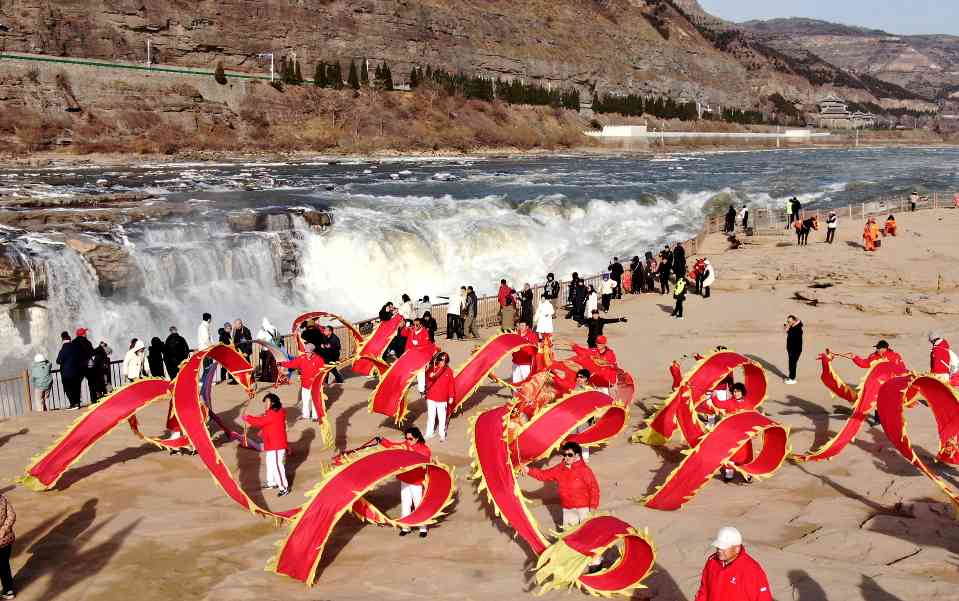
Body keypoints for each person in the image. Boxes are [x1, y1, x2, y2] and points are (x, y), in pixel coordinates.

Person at [520, 442, 602, 572]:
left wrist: (592, 507)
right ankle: (574, 563)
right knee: (570, 537)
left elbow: (594, 489)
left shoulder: (584, 470)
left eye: (569, 455)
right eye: (564, 454)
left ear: (577, 456)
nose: (566, 457)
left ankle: (595, 563)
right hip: (568, 509)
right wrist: (528, 470)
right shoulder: (560, 468)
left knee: (588, 537)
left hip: (584, 509)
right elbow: (544, 475)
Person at [376, 427, 431, 537]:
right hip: (405, 479)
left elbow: (423, 462)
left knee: (418, 504)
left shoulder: (424, 450)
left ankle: (423, 528)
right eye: (406, 438)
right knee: (405, 504)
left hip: (416, 481)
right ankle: (406, 527)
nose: (408, 441)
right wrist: (382, 441)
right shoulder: (405, 445)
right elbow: (393, 446)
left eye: (410, 439)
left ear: (417, 438)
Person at [694, 527, 773, 601]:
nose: (719, 550)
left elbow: (763, 598)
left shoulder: (752, 570)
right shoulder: (712, 562)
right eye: (718, 546)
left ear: (737, 548)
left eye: (724, 547)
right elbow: (704, 590)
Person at [243, 393, 290, 496]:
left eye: (267, 402)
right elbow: (266, 423)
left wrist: (248, 418)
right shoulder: (274, 413)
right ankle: (271, 482)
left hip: (276, 445)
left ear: (273, 403)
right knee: (270, 463)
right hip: (272, 444)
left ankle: (284, 487)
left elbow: (260, 422)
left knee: (277, 465)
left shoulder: (274, 414)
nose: (265, 404)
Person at [718, 383, 755, 484]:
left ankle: (747, 473)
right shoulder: (730, 402)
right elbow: (718, 404)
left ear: (742, 392)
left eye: (738, 391)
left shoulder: (748, 403)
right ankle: (729, 473)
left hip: (744, 433)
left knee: (745, 456)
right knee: (730, 453)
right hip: (732, 433)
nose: (736, 393)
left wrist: (753, 430)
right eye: (734, 391)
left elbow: (753, 417)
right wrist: (713, 396)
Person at [280, 343, 325, 421]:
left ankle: (315, 416)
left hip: (315, 384)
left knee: (315, 400)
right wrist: (281, 363)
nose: (306, 353)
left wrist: (322, 382)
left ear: (312, 352)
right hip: (305, 383)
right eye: (305, 352)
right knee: (305, 400)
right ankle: (305, 415)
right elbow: (292, 363)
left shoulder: (319, 359)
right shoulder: (302, 358)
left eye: (308, 352)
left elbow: (322, 372)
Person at [423, 352, 455, 442]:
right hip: (431, 397)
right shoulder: (432, 368)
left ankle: (442, 435)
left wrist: (451, 396)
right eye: (441, 360)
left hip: (442, 399)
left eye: (445, 361)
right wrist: (429, 375)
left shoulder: (449, 371)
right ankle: (429, 433)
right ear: (437, 360)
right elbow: (427, 379)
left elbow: (451, 384)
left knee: (442, 418)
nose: (442, 362)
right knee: (431, 417)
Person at [56, 331, 83, 410]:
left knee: (68, 389)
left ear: (62, 339)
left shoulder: (63, 349)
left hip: (66, 373)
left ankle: (73, 404)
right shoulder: (75, 347)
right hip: (77, 371)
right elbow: (79, 357)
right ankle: (77, 403)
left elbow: (58, 361)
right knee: (76, 387)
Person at [72, 328, 95, 406]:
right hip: (88, 366)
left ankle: (77, 402)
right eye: (85, 333)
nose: (86, 334)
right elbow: (92, 352)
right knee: (91, 383)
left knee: (77, 385)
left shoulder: (73, 343)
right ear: (83, 334)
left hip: (78, 366)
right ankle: (94, 400)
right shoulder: (87, 342)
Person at [0, 492, 15, 599]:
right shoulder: (2, 498)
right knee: (4, 565)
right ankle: (8, 590)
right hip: (6, 540)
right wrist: (4, 529)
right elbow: (12, 516)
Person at [784, 315, 803, 384]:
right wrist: (788, 329)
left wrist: (787, 329)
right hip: (791, 349)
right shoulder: (794, 326)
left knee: (792, 364)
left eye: (789, 321)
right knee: (791, 363)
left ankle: (792, 379)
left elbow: (793, 335)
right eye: (788, 321)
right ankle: (790, 377)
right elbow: (791, 334)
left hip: (795, 350)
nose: (788, 323)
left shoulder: (798, 329)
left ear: (794, 321)